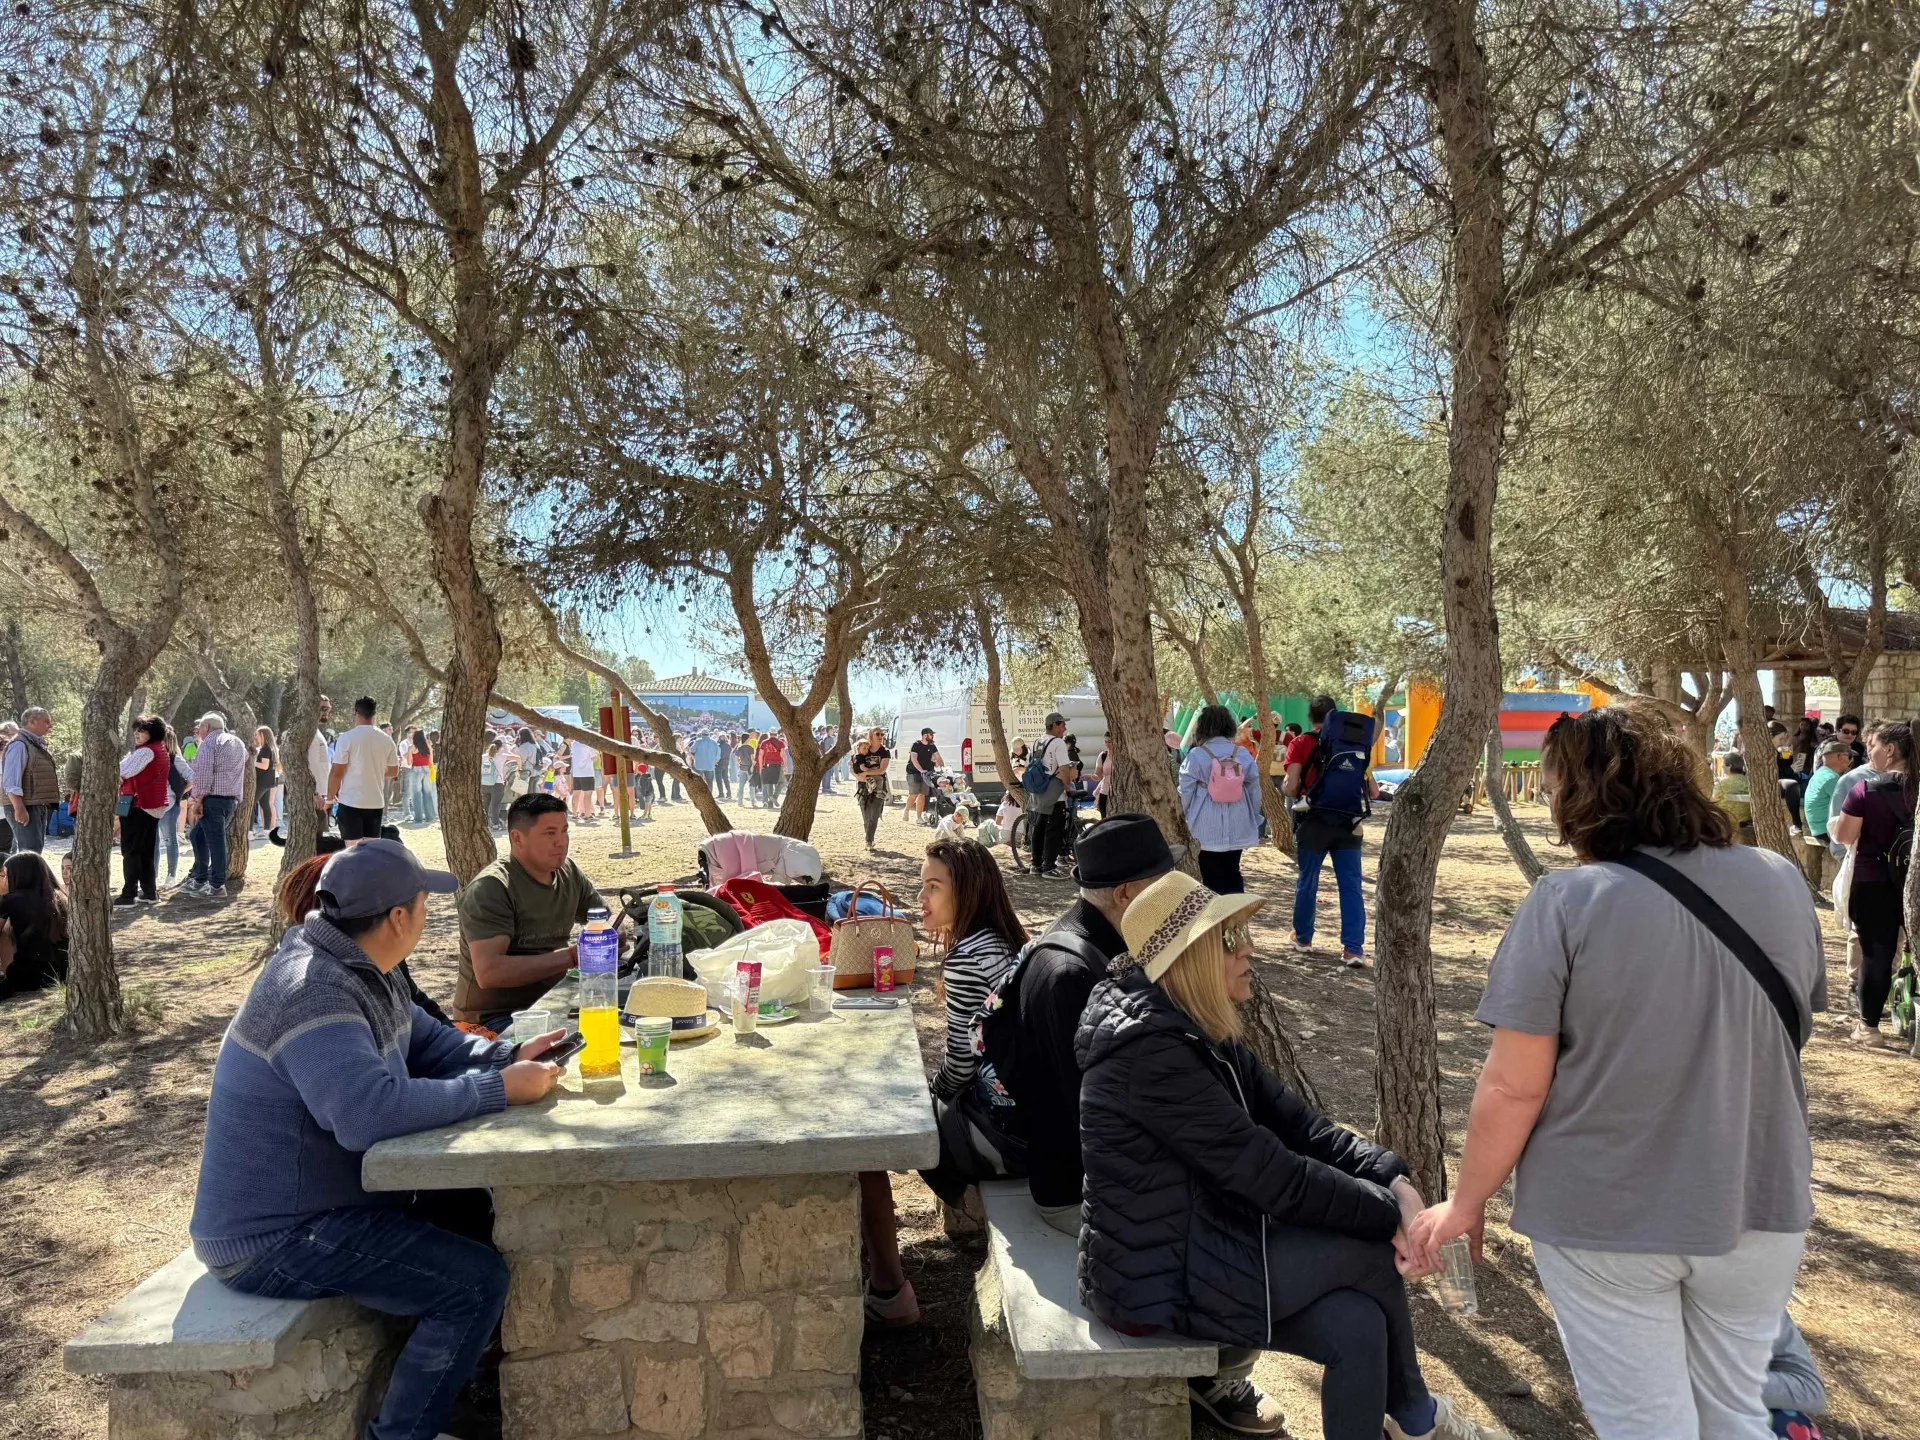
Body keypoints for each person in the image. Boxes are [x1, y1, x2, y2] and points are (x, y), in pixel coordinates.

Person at [1408, 703, 1821, 1440]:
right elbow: (1788, 1032)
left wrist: (1466, 1203)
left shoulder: (1567, 901)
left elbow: (1514, 1084)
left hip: (1605, 1214)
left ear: (1580, 792)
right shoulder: (1782, 880)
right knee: (1736, 1413)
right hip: (1757, 1196)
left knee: (1645, 1424)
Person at [1079, 868, 1503, 1440]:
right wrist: (1389, 1215)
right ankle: (1419, 1422)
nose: (1250, 949)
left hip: (1205, 1246)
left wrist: (1394, 1181)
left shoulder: (1196, 1030)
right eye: (1232, 938)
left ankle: (1413, 1420)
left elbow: (1304, 1128)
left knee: (1357, 1326)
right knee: (1372, 1255)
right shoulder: (1151, 1056)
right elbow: (1272, 1176)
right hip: (1155, 1281)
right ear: (1194, 956)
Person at [190, 839, 565, 1440]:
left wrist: (506, 1056)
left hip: (326, 1206)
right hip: (273, 1237)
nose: (427, 914)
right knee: (474, 1284)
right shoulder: (312, 988)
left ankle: (463, 1390)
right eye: (423, 904)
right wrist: (500, 1091)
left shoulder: (361, 967)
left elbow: (431, 1045)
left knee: (470, 1205)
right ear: (397, 918)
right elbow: (364, 1114)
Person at [860, 836, 1027, 1331]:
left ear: (968, 891)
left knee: (870, 1142)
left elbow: (959, 1067)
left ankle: (890, 1290)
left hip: (1007, 1138)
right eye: (921, 887)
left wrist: (928, 1099)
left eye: (933, 887)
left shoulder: (966, 959)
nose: (921, 899)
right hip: (1030, 1121)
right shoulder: (1001, 941)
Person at [454, 792, 606, 1031]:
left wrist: (611, 937)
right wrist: (573, 956)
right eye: (550, 833)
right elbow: (489, 972)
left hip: (554, 1000)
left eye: (565, 831)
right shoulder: (492, 888)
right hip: (494, 1018)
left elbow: (602, 919)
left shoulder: (569, 873)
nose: (561, 841)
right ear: (517, 838)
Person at [1829, 720, 1913, 1047]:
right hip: (1914, 882)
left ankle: (1870, 1029)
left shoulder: (1866, 789)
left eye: (1874, 745)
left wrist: (1838, 823)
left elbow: (1844, 835)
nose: (1870, 752)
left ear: (1890, 750)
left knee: (1877, 954)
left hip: (1874, 880)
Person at [1283, 695, 1378, 965]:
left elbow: (1291, 786)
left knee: (1308, 880)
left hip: (1314, 822)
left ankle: (1303, 937)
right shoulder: (1355, 744)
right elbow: (1373, 791)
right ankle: (1353, 949)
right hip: (1349, 822)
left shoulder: (1301, 743)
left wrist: (1289, 790)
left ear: (1310, 717)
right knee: (1351, 885)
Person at [1179, 703, 1265, 895]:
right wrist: (1254, 817)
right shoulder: (1242, 753)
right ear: (1229, 726)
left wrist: (1182, 818)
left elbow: (1185, 792)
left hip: (1205, 827)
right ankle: (1236, 921)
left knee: (1210, 877)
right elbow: (1253, 789)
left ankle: (1215, 920)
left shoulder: (1196, 755)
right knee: (1233, 872)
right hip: (1238, 822)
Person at [183, 713, 249, 900]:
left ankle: (217, 884)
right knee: (198, 835)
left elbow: (203, 775)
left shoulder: (209, 744)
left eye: (200, 729)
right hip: (230, 799)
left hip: (212, 798)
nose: (198, 733)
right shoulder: (238, 742)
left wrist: (198, 799)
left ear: (207, 728)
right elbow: (242, 761)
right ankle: (201, 877)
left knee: (215, 842)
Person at [115, 715, 172, 906]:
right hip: (153, 805)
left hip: (140, 805)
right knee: (146, 851)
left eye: (142, 730)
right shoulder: (160, 749)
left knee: (131, 850)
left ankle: (128, 893)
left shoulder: (145, 752)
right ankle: (149, 892)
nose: (137, 733)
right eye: (137, 729)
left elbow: (121, 770)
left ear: (152, 733)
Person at [329, 698, 402, 842]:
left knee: (352, 849)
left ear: (355, 713)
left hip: (351, 801)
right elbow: (394, 771)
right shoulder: (387, 740)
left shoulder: (346, 738)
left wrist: (329, 799)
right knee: (371, 850)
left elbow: (337, 772)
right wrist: (374, 771)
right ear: (374, 714)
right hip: (375, 802)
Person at [0, 851, 69, 999]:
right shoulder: (60, 897)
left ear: (17, 876)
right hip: (64, 972)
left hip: (30, 977)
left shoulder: (10, 900)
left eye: (5, 875)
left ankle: (6, 974)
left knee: (4, 931)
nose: (4, 880)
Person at [1027, 711, 1079, 878]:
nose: (1065, 728)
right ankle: (1049, 867)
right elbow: (1064, 769)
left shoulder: (1037, 741)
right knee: (1054, 829)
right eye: (1063, 724)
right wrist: (1068, 787)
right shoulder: (1058, 743)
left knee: (1038, 828)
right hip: (1054, 793)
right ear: (1055, 725)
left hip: (1038, 791)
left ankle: (1036, 865)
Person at [3, 707, 60, 852]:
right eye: (46, 721)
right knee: (28, 852)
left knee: (34, 850)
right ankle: (21, 876)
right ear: (32, 721)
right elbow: (10, 781)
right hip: (25, 805)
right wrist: (19, 808)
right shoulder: (19, 744)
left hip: (34, 804)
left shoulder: (33, 744)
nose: (50, 726)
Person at [1799, 739, 1852, 893]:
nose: (1850, 761)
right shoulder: (1832, 779)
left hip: (1817, 827)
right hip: (1825, 830)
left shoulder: (1821, 774)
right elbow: (1849, 805)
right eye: (1848, 757)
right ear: (1840, 757)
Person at [850, 727, 891, 849]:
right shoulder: (863, 748)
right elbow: (852, 766)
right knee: (866, 813)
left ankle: (869, 840)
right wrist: (857, 776)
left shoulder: (885, 751)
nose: (880, 736)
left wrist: (866, 773)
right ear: (871, 736)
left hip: (879, 786)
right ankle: (869, 837)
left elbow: (882, 769)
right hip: (863, 785)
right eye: (877, 734)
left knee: (874, 813)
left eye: (882, 734)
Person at [306, 694, 335, 831]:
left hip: (321, 794)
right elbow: (302, 764)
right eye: (323, 708)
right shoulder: (306, 731)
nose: (326, 712)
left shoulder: (316, 731)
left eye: (328, 709)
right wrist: (314, 793)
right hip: (313, 796)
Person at [1713, 751, 1755, 842]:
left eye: (1723, 764)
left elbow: (1714, 805)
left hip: (1727, 828)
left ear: (1730, 766)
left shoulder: (1722, 785)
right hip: (1749, 826)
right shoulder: (1751, 783)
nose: (1722, 767)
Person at [905, 727, 941, 823]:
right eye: (931, 734)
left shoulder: (932, 746)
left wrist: (942, 768)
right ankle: (907, 810)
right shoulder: (916, 745)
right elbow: (914, 759)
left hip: (927, 773)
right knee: (914, 794)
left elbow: (938, 757)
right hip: (914, 772)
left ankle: (919, 817)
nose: (932, 736)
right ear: (925, 735)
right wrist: (921, 770)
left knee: (922, 795)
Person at [252, 726, 281, 837]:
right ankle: (266, 830)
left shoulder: (265, 749)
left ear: (262, 735)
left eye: (257, 735)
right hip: (268, 781)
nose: (256, 738)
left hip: (263, 781)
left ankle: (250, 831)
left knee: (251, 804)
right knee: (265, 804)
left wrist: (252, 762)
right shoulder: (271, 748)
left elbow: (264, 766)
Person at [568, 735, 599, 823]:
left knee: (576, 794)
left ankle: (574, 814)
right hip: (587, 772)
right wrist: (597, 753)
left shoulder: (574, 744)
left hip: (576, 773)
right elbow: (594, 758)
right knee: (588, 795)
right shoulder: (588, 744)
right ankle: (587, 815)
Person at [756, 729, 787, 809]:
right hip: (778, 765)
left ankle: (770, 798)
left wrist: (761, 766)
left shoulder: (764, 742)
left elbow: (760, 755)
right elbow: (783, 755)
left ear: (769, 734)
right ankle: (774, 797)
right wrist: (786, 766)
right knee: (781, 782)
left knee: (769, 783)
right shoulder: (781, 743)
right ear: (776, 734)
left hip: (767, 765)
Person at [481, 737, 507, 830]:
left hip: (484, 783)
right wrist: (518, 769)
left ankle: (484, 823)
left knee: (485, 805)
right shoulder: (502, 756)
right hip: (497, 784)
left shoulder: (483, 756)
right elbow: (518, 758)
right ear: (500, 748)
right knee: (495, 805)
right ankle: (495, 824)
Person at [692, 730, 721, 795]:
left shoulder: (698, 741)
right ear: (708, 734)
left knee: (699, 781)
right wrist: (716, 761)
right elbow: (718, 753)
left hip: (699, 765)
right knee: (710, 782)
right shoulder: (714, 742)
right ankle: (709, 795)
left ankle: (700, 794)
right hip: (710, 765)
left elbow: (692, 750)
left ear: (702, 734)